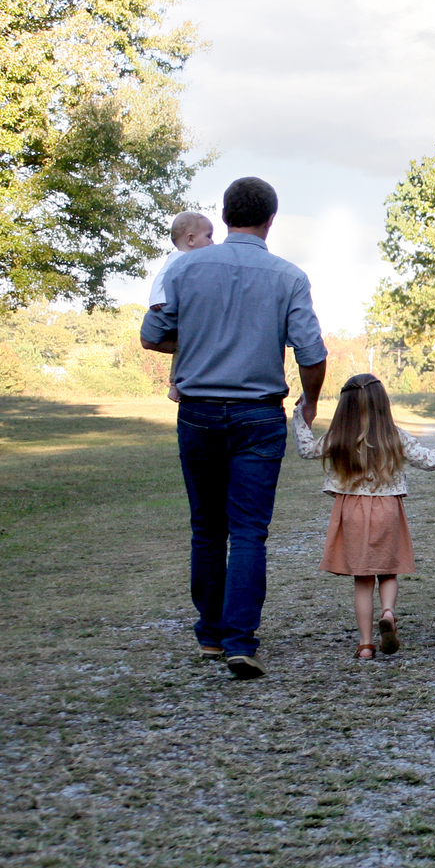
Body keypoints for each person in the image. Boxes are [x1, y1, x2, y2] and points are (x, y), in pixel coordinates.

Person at [140, 178, 327, 680]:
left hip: (198, 410)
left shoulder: (185, 268)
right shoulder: (289, 277)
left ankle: (210, 633)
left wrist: (198, 340)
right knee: (248, 531)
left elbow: (151, 335)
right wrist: (309, 400)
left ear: (223, 217)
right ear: (271, 220)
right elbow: (311, 353)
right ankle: (241, 641)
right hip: (259, 414)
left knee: (207, 526)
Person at [292, 374, 435, 660]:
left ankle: (365, 644)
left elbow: (307, 449)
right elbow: (431, 460)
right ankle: (388, 612)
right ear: (383, 403)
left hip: (351, 512)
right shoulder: (393, 435)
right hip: (387, 510)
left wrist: (300, 415)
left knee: (362, 579)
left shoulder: (338, 435)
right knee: (388, 570)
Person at [148, 211, 215, 402]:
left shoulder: (190, 261)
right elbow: (161, 280)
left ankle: (177, 385)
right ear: (191, 239)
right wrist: (156, 300)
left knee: (184, 347)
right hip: (171, 312)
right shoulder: (179, 259)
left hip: (183, 315)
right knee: (182, 346)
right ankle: (175, 385)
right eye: (208, 236)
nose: (212, 241)